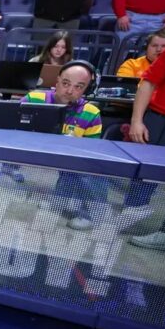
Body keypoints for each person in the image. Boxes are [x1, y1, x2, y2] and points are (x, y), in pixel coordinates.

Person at [21, 60, 103, 230]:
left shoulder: (91, 113)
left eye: (79, 87)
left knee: (92, 167)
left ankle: (88, 214)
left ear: (87, 88)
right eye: (65, 83)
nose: (70, 90)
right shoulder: (33, 98)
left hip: (67, 155)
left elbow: (93, 151)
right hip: (32, 149)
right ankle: (59, 202)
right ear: (57, 81)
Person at [124, 47, 165, 250]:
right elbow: (148, 83)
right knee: (144, 173)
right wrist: (136, 121)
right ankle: (129, 215)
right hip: (160, 119)